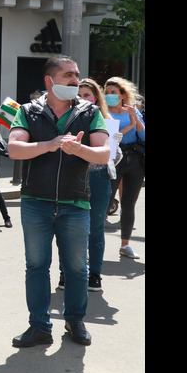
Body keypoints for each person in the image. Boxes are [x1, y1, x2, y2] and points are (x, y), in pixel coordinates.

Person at [8, 55, 109, 347]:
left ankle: (75, 322)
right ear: (49, 81)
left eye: (77, 75)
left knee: (77, 268)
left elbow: (104, 154)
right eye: (68, 75)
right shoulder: (28, 111)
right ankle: (39, 326)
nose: (76, 80)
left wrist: (79, 150)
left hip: (75, 203)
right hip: (35, 202)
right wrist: (50, 145)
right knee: (37, 266)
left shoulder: (90, 112)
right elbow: (15, 148)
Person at [72, 78, 117, 292]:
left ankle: (95, 274)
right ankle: (66, 272)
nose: (83, 100)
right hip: (73, 178)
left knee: (96, 229)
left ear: (96, 98)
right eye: (79, 95)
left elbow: (113, 158)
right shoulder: (68, 119)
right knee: (69, 228)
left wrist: (113, 148)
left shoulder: (107, 120)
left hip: (99, 179)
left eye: (87, 95)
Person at [104, 76, 145, 260]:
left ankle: (125, 245)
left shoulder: (133, 111)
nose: (110, 96)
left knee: (129, 204)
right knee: (104, 201)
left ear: (122, 95)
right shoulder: (103, 112)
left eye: (114, 92)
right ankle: (90, 245)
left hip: (134, 159)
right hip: (112, 159)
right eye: (107, 92)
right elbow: (111, 137)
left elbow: (143, 136)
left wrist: (134, 117)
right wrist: (129, 124)